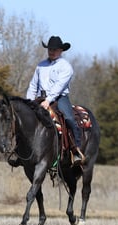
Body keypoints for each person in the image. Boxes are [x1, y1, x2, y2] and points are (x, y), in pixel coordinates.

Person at [26, 36, 85, 165]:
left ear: (61, 50)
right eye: (50, 49)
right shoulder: (40, 66)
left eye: (55, 49)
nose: (51, 51)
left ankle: (76, 149)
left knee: (69, 118)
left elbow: (59, 86)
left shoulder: (66, 67)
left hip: (59, 98)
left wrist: (48, 100)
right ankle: (21, 150)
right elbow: (33, 85)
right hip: (40, 98)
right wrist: (29, 101)